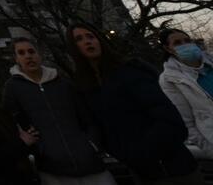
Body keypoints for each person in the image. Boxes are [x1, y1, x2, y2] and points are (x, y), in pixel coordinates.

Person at [68, 22, 200, 185]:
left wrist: (146, 151)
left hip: (174, 168)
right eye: (79, 39)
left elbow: (169, 117)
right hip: (142, 172)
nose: (88, 41)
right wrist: (125, 155)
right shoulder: (87, 88)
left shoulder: (131, 71)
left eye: (91, 36)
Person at [1, 36, 116, 185]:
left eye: (31, 51)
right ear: (16, 59)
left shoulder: (63, 83)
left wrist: (92, 144)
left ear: (39, 54)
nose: (28, 56)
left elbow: (87, 117)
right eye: (21, 53)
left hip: (91, 166)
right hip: (53, 171)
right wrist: (37, 148)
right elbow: (11, 121)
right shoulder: (12, 88)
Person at [158, 28, 213, 158]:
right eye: (177, 43)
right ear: (168, 49)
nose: (185, 45)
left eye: (187, 40)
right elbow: (187, 123)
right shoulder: (169, 79)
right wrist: (210, 150)